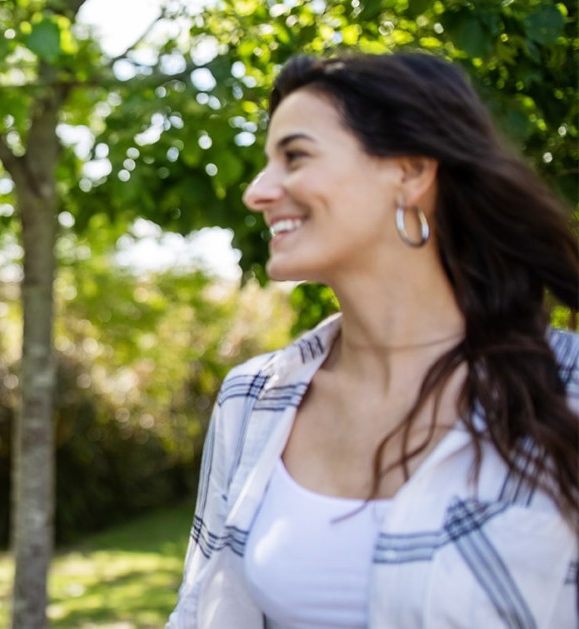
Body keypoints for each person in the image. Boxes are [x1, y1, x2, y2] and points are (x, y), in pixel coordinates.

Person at [168, 52, 579, 628]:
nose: (257, 192)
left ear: (410, 171)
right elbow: (199, 612)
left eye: (295, 156)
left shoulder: (567, 390)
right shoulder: (252, 399)